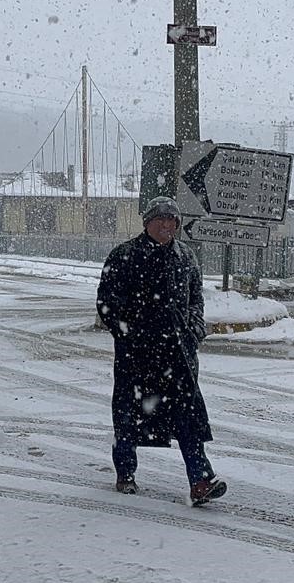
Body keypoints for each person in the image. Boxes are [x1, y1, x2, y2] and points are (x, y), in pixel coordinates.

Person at [96, 196, 227, 505]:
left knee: (188, 418)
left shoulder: (186, 257)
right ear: (148, 223)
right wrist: (128, 333)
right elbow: (106, 303)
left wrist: (194, 330)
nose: (168, 225)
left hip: (178, 355)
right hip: (137, 356)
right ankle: (125, 472)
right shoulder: (125, 255)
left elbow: (196, 300)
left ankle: (200, 480)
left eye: (173, 221)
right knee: (129, 417)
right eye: (161, 220)